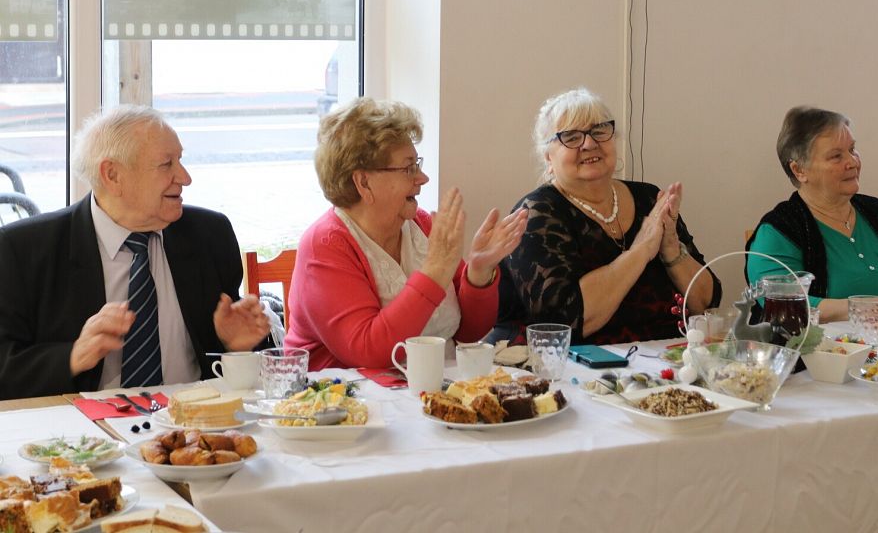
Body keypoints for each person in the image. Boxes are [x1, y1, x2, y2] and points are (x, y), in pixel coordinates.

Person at [0, 106, 269, 399]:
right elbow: (5, 366)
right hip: (81, 423)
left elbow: (244, 368)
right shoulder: (23, 249)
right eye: (166, 164)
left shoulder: (209, 235)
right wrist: (72, 356)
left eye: (180, 160)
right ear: (112, 175)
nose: (185, 177)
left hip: (192, 418)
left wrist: (235, 347)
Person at [284, 98, 527, 370]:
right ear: (364, 182)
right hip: (342, 394)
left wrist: (479, 272)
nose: (422, 178)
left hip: (429, 387)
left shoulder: (420, 225)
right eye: (409, 167)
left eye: (417, 164)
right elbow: (369, 352)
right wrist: (434, 273)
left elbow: (468, 333)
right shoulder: (324, 245)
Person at [502, 88, 720, 345]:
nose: (589, 144)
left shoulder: (649, 198)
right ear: (548, 157)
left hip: (669, 356)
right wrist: (641, 250)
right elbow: (566, 322)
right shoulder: (536, 214)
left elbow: (707, 303)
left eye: (599, 131)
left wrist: (671, 248)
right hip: (582, 364)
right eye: (571, 137)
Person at [747, 106, 878, 322]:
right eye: (836, 156)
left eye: (852, 150)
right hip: (836, 344)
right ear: (799, 170)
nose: (853, 162)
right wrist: (858, 308)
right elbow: (781, 304)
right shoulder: (780, 230)